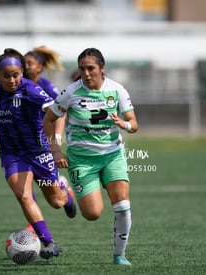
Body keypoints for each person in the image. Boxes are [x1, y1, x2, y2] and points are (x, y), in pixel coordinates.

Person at [0, 48, 77, 260]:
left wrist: (56, 144)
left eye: (15, 75)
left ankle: (66, 193)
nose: (11, 80)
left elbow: (59, 113)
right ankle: (49, 242)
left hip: (39, 152)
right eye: (6, 75)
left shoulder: (32, 91)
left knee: (56, 202)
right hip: (12, 153)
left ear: (21, 73)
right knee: (23, 195)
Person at [43, 48, 138, 265]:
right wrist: (56, 150)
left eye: (91, 68)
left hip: (112, 155)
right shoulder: (71, 93)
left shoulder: (117, 90)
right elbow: (48, 120)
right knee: (92, 213)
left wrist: (123, 124)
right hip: (82, 160)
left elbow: (134, 124)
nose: (86, 73)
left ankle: (119, 255)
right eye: (82, 69)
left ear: (102, 68)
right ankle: (71, 190)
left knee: (122, 206)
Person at [24, 45, 74, 202]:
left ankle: (62, 187)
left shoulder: (46, 86)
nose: (25, 66)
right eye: (22, 63)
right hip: (23, 138)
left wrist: (57, 138)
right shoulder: (16, 85)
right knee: (25, 182)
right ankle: (33, 225)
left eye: (29, 63)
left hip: (43, 138)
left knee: (53, 197)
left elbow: (61, 112)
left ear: (40, 67)